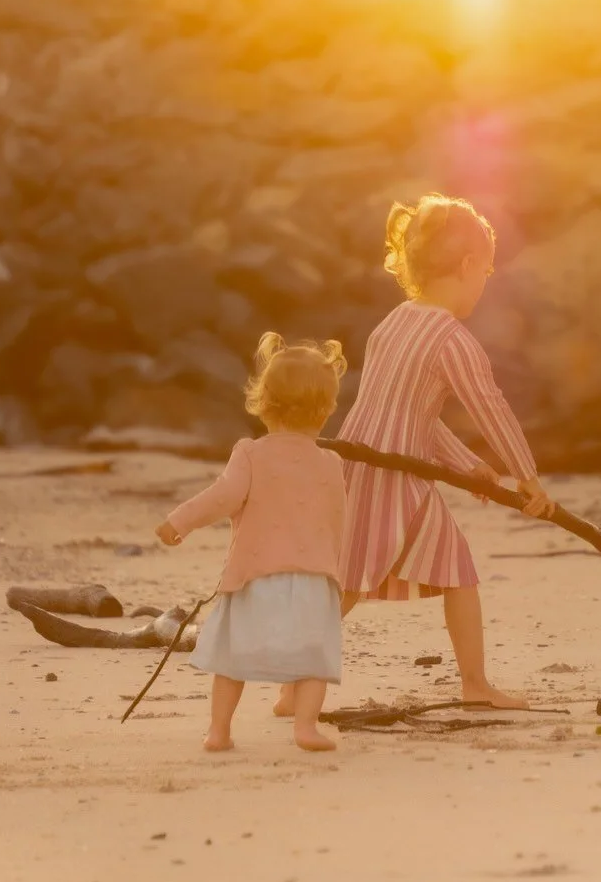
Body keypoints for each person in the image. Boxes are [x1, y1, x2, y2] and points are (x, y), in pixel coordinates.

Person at [276, 193, 555, 718]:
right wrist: (528, 478)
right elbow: (491, 410)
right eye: (487, 271)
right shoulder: (452, 340)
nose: (485, 283)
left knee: (431, 571)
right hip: (394, 477)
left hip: (369, 461)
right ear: (468, 265)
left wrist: (469, 467)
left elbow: (412, 417)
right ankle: (298, 683)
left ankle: (299, 688)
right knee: (356, 579)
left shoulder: (395, 322)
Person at [155, 332, 348, 753]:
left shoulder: (250, 453)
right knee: (314, 656)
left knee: (232, 658)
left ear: (264, 402)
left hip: (254, 575)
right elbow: (338, 521)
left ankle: (219, 730)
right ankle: (305, 727)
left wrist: (179, 521)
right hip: (313, 578)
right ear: (326, 409)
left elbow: (222, 497)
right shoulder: (331, 462)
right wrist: (336, 570)